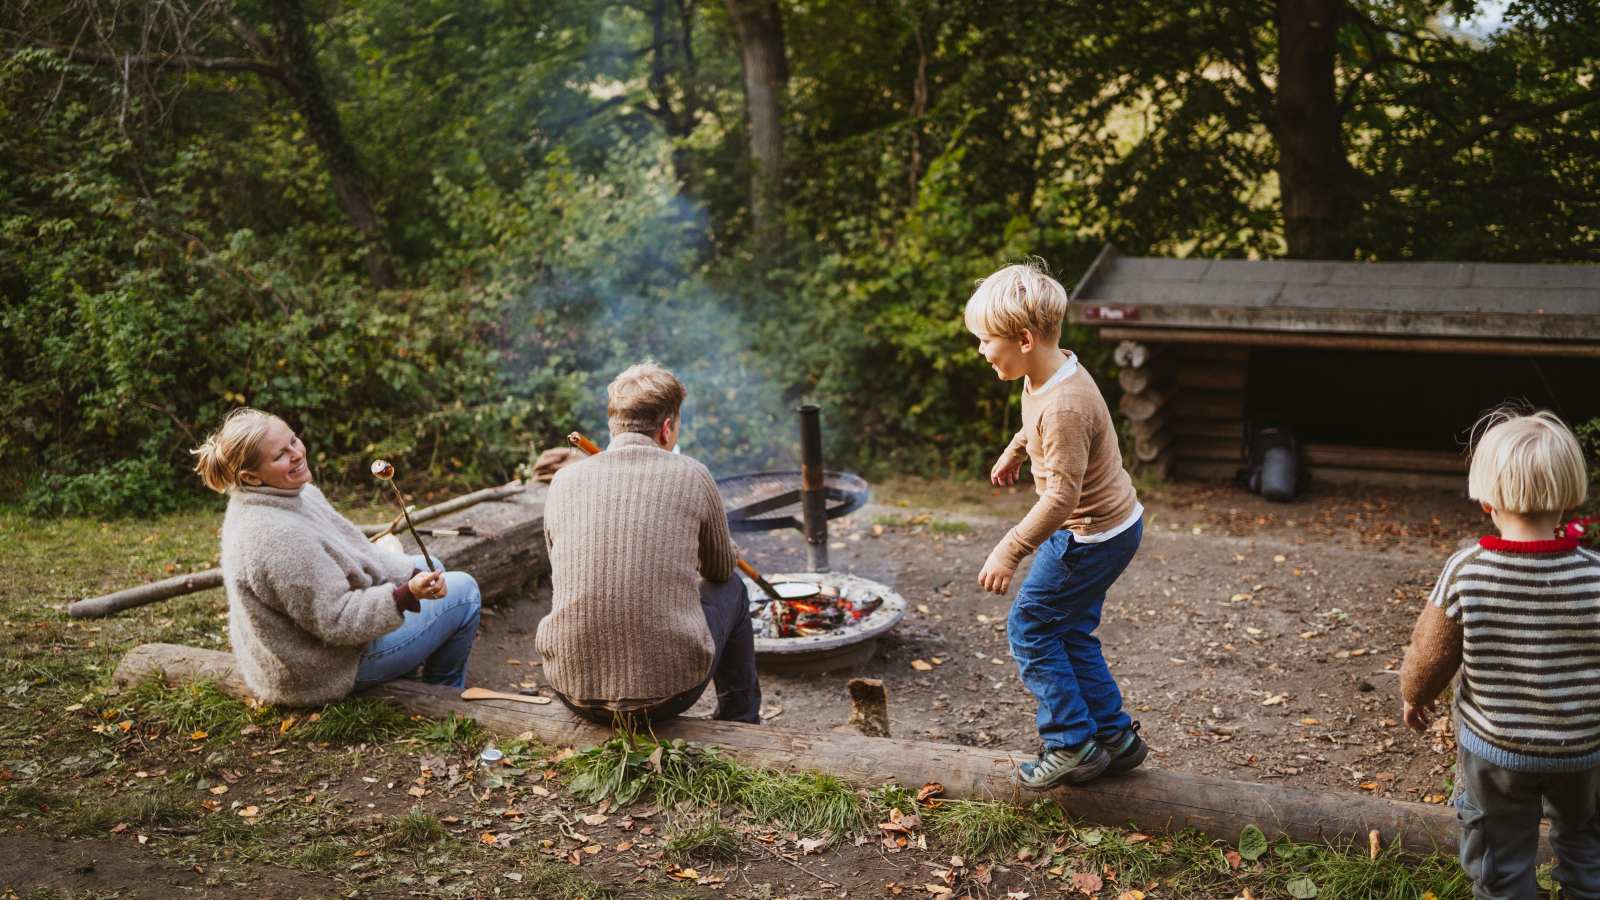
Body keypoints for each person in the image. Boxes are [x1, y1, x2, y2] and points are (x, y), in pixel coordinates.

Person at [1400, 409, 1599, 900]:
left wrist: (1415, 695)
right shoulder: (1594, 573)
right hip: (1585, 751)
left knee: (1498, 856)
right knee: (1587, 845)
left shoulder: (1467, 571)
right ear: (1569, 493)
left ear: (1486, 498)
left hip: (1496, 752)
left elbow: (1430, 655)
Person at [964, 259, 1147, 789]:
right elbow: (1036, 420)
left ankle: (1071, 743)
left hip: (1088, 535)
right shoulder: (1052, 371)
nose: (981, 351)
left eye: (986, 341)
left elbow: (1062, 499)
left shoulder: (1065, 405)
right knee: (1068, 629)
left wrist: (1009, 549)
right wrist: (1016, 449)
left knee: (1031, 627)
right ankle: (1114, 737)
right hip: (1113, 527)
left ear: (1023, 339)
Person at [192, 408, 481, 706]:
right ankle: (442, 695)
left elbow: (360, 549)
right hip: (318, 672)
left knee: (430, 567)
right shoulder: (276, 537)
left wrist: (411, 576)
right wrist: (404, 595)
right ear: (251, 477)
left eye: (293, 440)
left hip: (318, 647)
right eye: (280, 455)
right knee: (465, 592)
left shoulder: (295, 494)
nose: (297, 454)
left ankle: (411, 669)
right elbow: (337, 620)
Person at [536, 362, 760, 725]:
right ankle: (741, 721)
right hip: (667, 696)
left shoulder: (563, 480)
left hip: (572, 689)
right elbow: (719, 571)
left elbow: (561, 566)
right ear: (667, 428)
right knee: (733, 587)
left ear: (614, 423)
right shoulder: (693, 474)